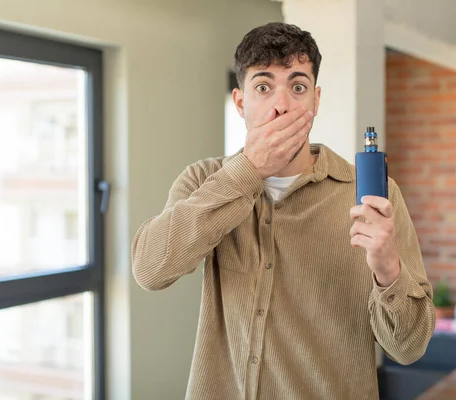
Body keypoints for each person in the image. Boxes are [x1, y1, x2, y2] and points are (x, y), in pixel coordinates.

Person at [132, 22, 435, 400]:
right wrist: (250, 171)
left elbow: (409, 349)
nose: (282, 104)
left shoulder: (373, 196)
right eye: (263, 87)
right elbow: (149, 270)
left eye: (297, 86)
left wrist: (389, 268)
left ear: (315, 100)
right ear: (241, 102)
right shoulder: (203, 179)